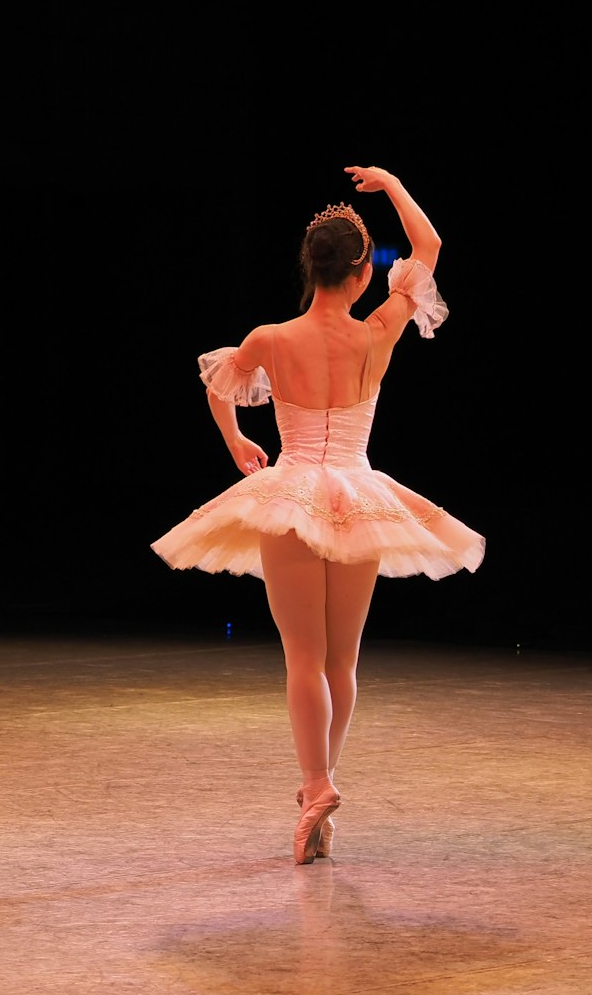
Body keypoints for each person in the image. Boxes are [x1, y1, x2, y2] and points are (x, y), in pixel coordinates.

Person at [152, 165, 483, 864]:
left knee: (302, 658)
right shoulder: (377, 334)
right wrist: (391, 185)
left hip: (296, 490)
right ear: (362, 276)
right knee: (341, 660)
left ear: (312, 267)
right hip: (360, 495)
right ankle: (317, 794)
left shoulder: (273, 339)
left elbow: (220, 382)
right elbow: (428, 248)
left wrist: (238, 439)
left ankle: (316, 786)